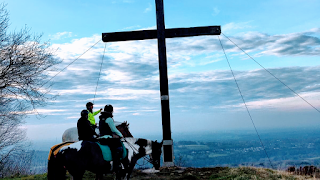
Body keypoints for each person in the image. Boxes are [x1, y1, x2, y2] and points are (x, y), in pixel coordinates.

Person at [99, 104, 123, 173]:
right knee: (118, 147)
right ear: (111, 111)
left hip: (101, 137)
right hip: (107, 137)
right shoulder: (109, 118)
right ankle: (116, 165)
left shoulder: (101, 117)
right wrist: (120, 135)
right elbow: (113, 129)